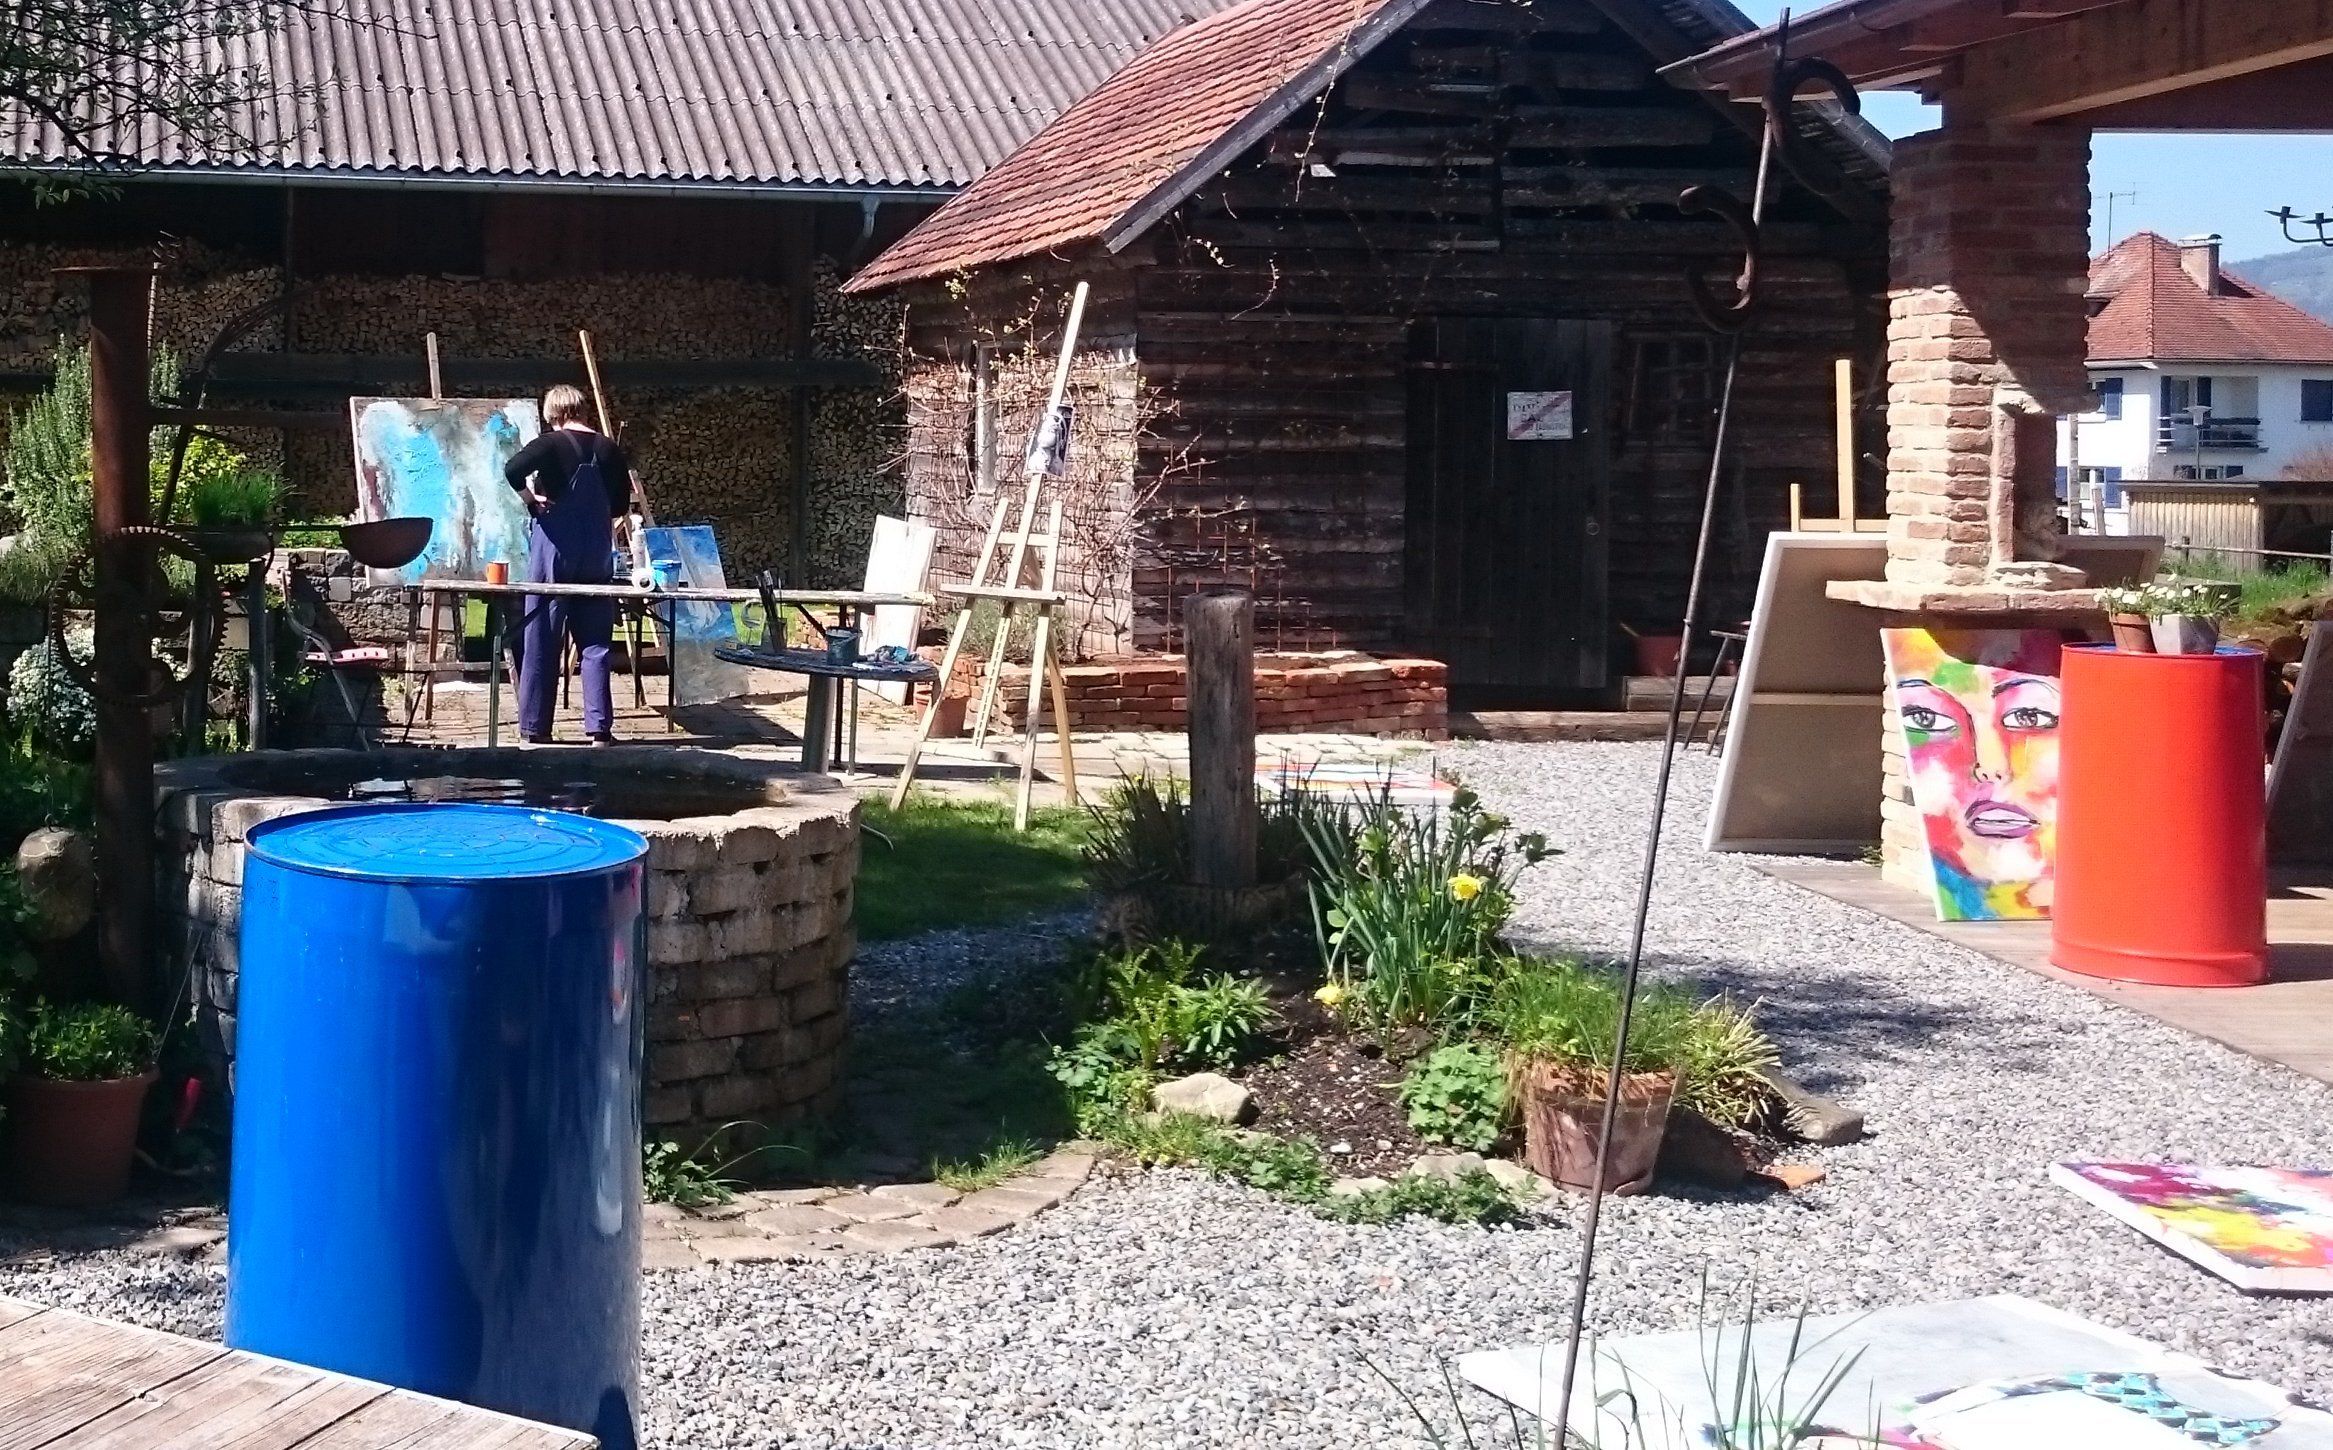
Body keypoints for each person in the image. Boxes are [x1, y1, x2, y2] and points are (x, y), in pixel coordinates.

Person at [503, 384, 634, 744]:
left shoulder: (549, 444)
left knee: (541, 636)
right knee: (595, 643)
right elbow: (620, 506)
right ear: (582, 410)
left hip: (554, 551)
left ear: (554, 414)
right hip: (595, 553)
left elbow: (513, 469)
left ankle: (534, 729)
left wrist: (531, 499)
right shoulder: (609, 449)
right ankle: (599, 730)